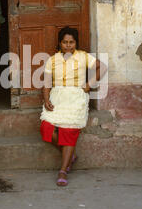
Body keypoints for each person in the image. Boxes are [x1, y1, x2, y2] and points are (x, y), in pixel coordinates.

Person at [41, 27, 107, 187]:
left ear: (76, 43)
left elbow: (102, 68)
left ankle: (63, 171)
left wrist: (89, 84)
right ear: (60, 43)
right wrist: (46, 99)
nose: (68, 45)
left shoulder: (83, 56)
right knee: (46, 129)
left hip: (76, 97)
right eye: (65, 42)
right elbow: (47, 83)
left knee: (69, 132)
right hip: (57, 97)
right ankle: (70, 155)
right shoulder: (52, 59)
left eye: (71, 42)